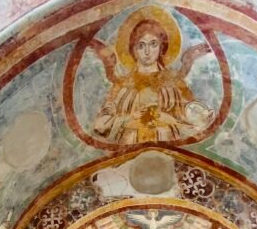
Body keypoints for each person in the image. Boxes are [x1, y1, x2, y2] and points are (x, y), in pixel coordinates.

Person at [91, 8, 214, 145]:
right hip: (130, 144)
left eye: (153, 44)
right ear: (133, 50)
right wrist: (131, 117)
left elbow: (191, 115)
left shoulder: (173, 82)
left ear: (162, 47)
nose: (147, 52)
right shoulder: (123, 85)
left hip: (168, 142)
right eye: (141, 45)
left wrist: (172, 118)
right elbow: (101, 125)